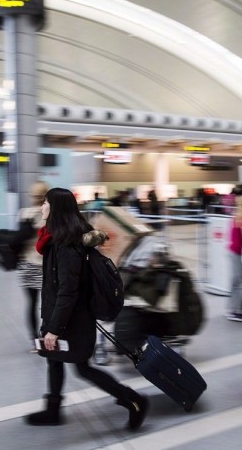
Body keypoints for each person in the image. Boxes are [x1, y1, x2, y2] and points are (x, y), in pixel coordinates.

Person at [25, 187, 148, 430]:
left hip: (73, 320)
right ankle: (53, 410)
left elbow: (68, 291)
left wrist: (54, 329)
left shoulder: (66, 245)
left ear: (57, 208)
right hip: (62, 316)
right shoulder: (55, 239)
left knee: (82, 368)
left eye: (46, 203)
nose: (42, 207)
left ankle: (133, 400)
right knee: (53, 360)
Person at [17, 181, 48, 344]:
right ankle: (47, 337)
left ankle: (34, 340)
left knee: (31, 303)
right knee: (48, 304)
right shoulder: (50, 214)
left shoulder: (24, 213)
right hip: (46, 265)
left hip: (27, 264)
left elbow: (18, 241)